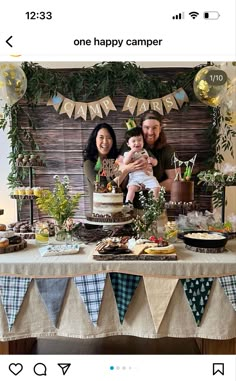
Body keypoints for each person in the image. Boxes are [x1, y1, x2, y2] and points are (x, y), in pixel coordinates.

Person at [119, 110, 177, 192]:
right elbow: (117, 171)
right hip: (130, 194)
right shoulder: (130, 146)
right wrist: (131, 167)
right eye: (146, 127)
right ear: (141, 127)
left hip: (154, 197)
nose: (150, 132)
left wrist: (150, 187)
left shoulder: (167, 150)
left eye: (155, 128)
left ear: (160, 128)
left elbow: (175, 181)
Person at [83, 123, 128, 211]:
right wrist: (126, 171)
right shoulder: (90, 163)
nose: (105, 141)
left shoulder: (113, 161)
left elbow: (120, 188)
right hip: (100, 216)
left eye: (109, 138)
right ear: (94, 140)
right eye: (101, 137)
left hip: (118, 213)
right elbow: (104, 189)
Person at [123, 127, 160, 206]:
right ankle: (128, 204)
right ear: (128, 144)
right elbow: (125, 162)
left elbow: (156, 162)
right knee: (131, 188)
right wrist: (132, 151)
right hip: (135, 179)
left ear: (143, 141)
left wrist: (152, 160)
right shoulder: (128, 153)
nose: (137, 143)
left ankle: (154, 205)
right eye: (133, 141)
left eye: (139, 140)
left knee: (156, 188)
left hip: (148, 177)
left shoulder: (146, 151)